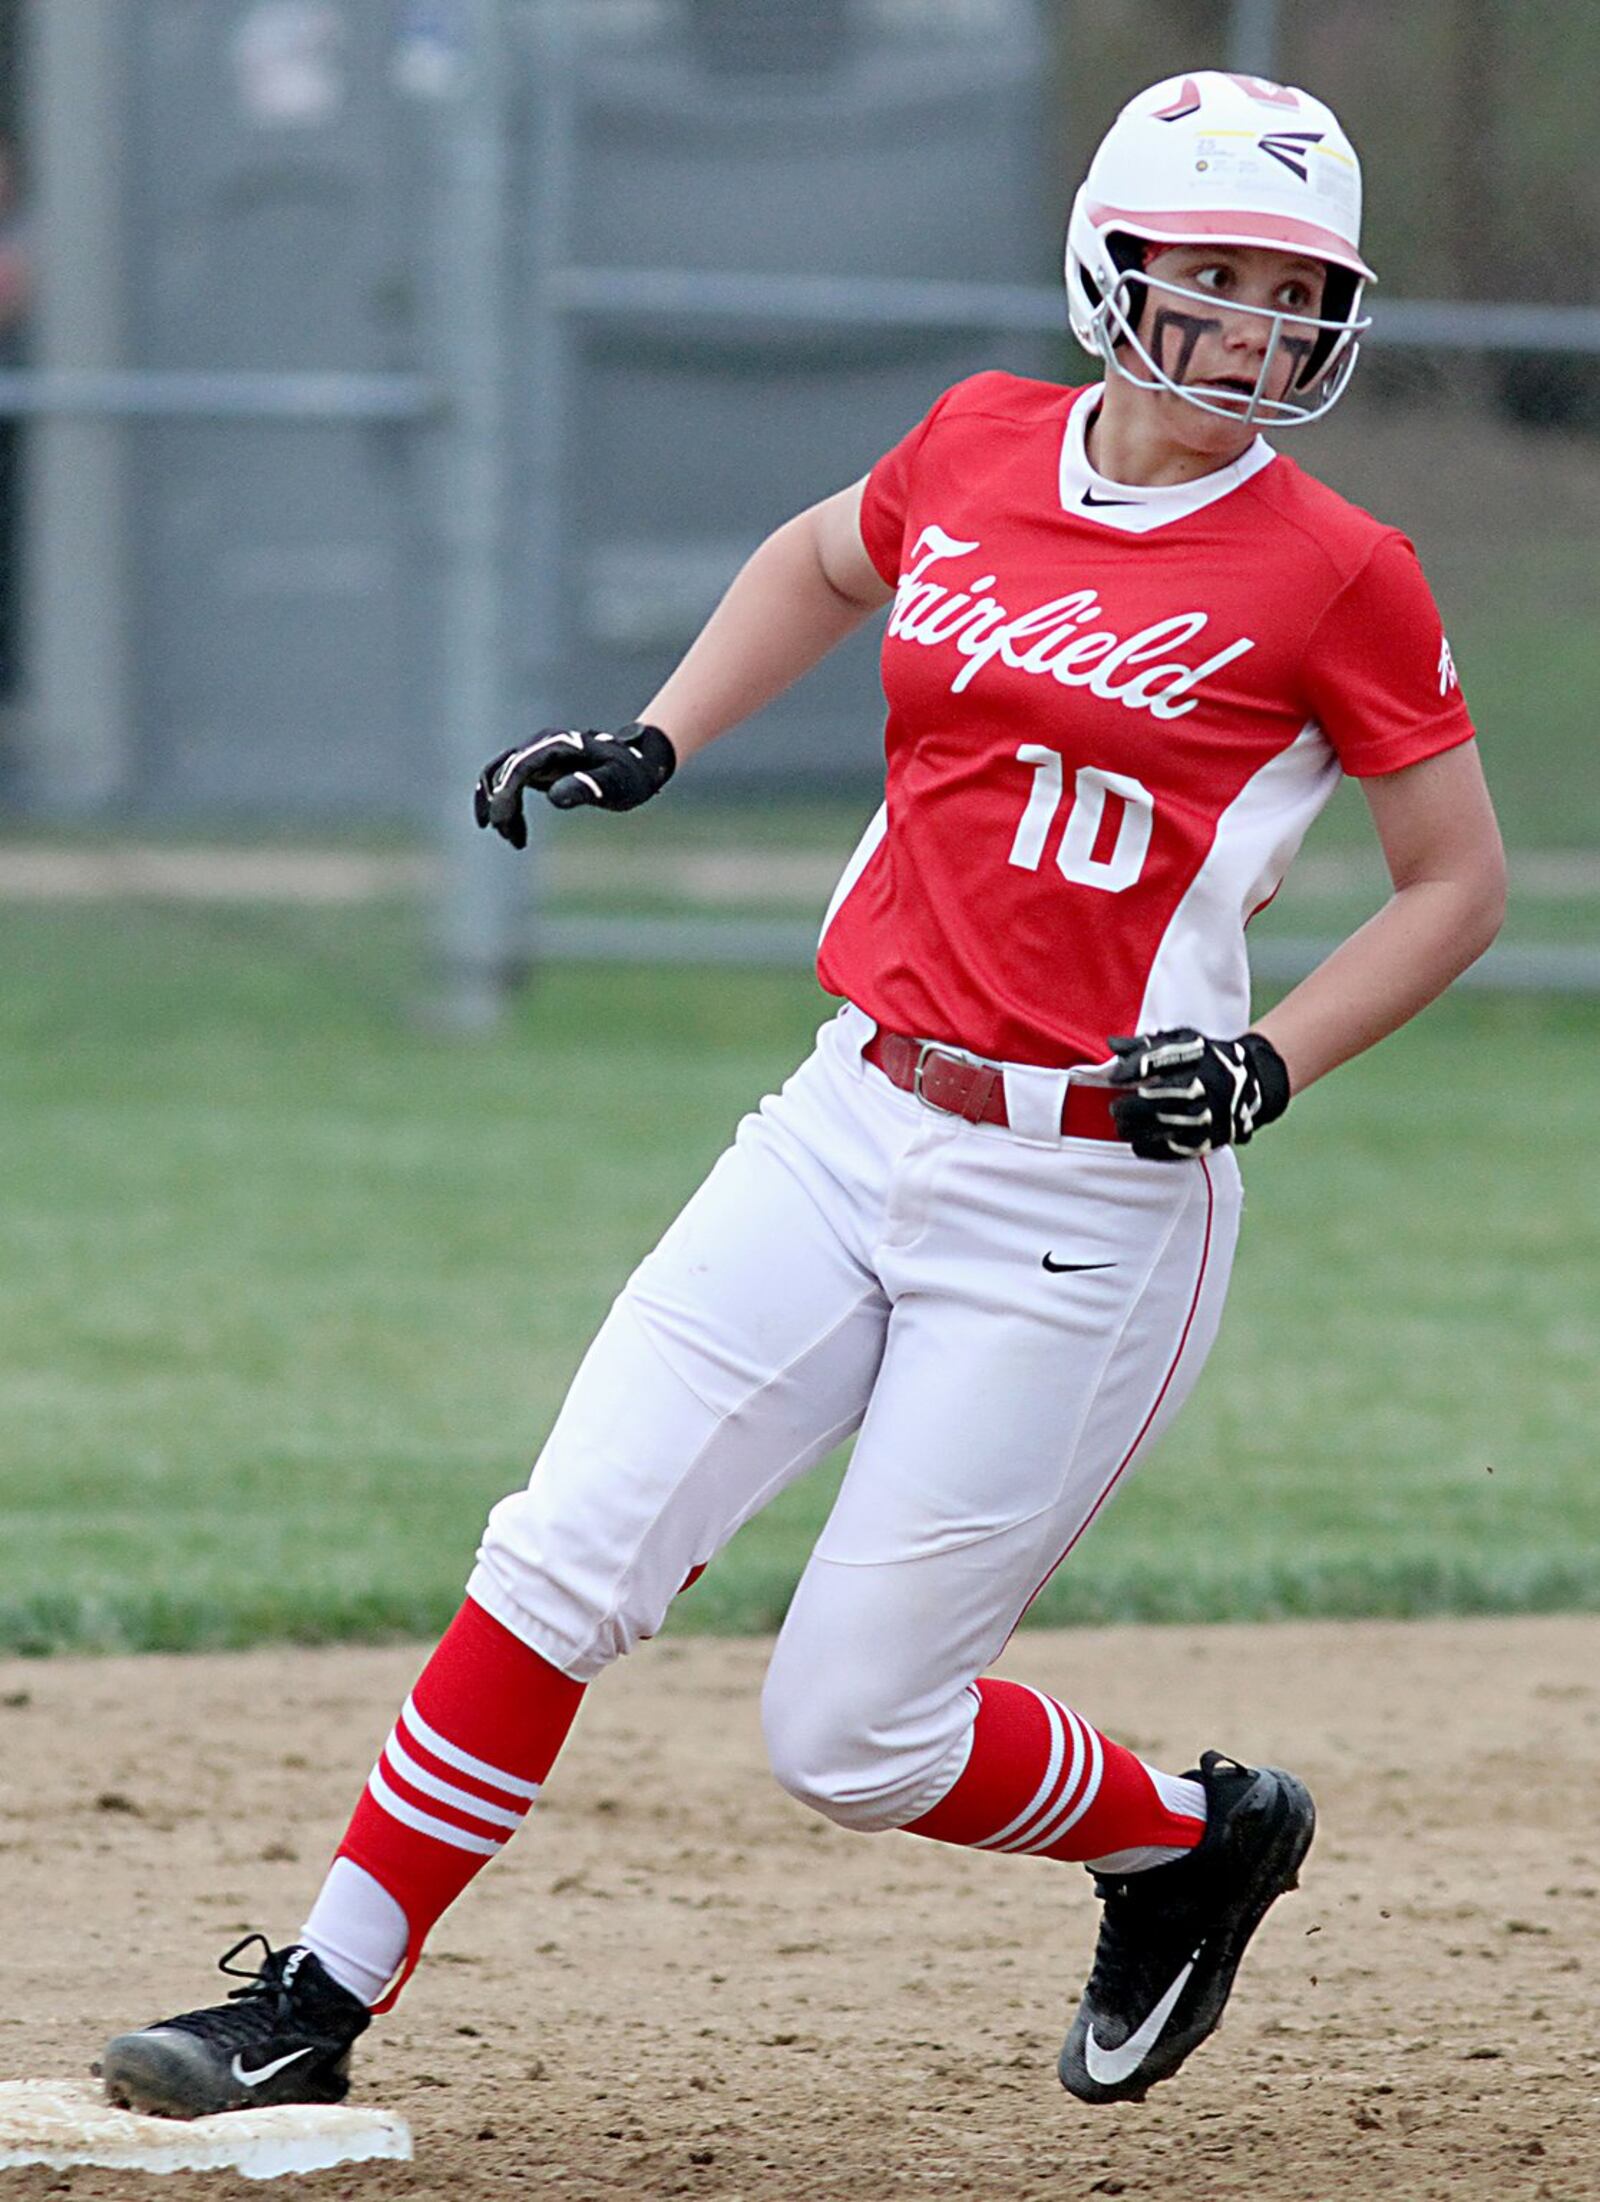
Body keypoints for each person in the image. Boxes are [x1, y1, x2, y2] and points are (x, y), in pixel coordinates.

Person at [102, 69, 1505, 2118]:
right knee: (560, 1547)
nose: (1248, 330)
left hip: (1085, 1194)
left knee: (849, 1736)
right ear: (1105, 271)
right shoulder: (973, 439)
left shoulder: (1331, 568)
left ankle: (1185, 1840)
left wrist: (1269, 1057)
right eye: (1205, 277)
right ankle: (315, 1992)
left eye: (1290, 291)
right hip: (847, 1116)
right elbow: (823, 554)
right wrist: (659, 735)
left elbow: (1454, 881)